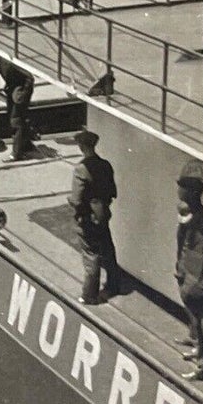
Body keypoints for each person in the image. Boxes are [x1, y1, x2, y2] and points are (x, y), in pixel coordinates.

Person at [174, 172, 203, 394]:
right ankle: (202, 369)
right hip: (188, 281)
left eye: (182, 189)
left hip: (199, 285)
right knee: (198, 330)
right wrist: (180, 271)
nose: (178, 192)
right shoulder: (186, 216)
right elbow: (182, 249)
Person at [68, 128, 122, 304]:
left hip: (87, 218)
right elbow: (113, 192)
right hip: (103, 214)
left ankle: (89, 295)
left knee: (91, 254)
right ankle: (114, 285)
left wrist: (79, 211)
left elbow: (76, 199)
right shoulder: (106, 165)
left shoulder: (81, 169)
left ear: (81, 146)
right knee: (107, 248)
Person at [1, 58, 37, 161]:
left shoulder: (3, 59)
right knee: (19, 119)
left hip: (19, 95)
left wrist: (22, 93)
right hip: (13, 92)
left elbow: (29, 77)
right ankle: (25, 145)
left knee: (16, 121)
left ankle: (16, 154)